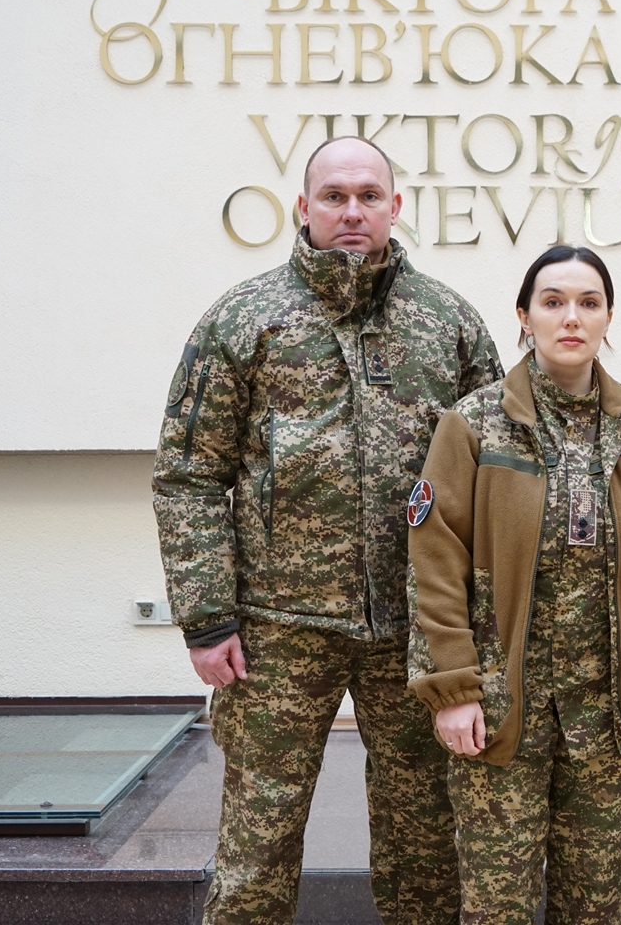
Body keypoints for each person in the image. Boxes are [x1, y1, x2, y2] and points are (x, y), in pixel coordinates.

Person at [153, 136, 503, 925]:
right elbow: (189, 475)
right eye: (335, 196)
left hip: (414, 631)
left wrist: (477, 626)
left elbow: (492, 486)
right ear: (303, 207)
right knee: (258, 847)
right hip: (276, 630)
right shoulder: (243, 320)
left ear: (395, 206)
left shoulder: (448, 323)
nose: (352, 211)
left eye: (369, 196)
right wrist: (207, 619)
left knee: (426, 847)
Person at [407, 245, 621, 925]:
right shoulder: (473, 425)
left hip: (609, 715)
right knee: (499, 908)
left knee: (594, 905)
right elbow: (434, 563)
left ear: (608, 317)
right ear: (524, 316)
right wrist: (453, 688)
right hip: (500, 709)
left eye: (588, 302)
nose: (570, 317)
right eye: (552, 302)